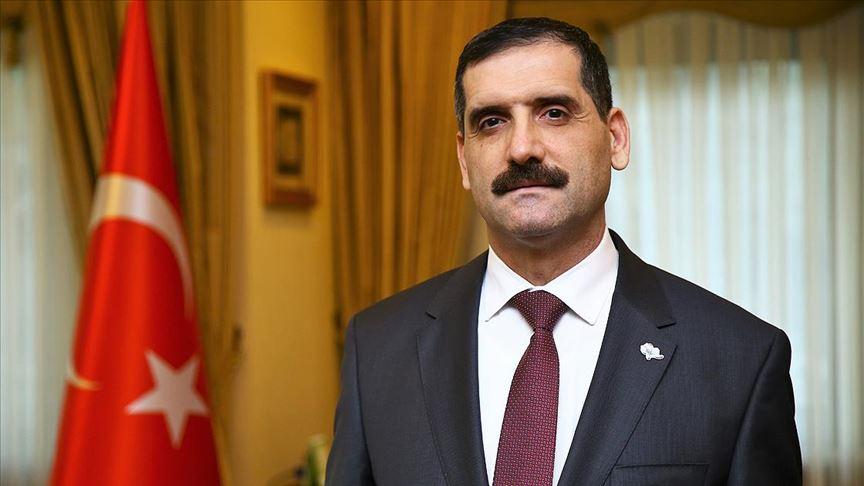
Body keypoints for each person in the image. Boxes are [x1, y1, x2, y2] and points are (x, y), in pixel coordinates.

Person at [325, 17, 802, 486]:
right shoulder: (378, 348)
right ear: (464, 159)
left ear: (615, 138)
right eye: (491, 122)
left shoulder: (740, 359)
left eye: (553, 112)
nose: (522, 148)